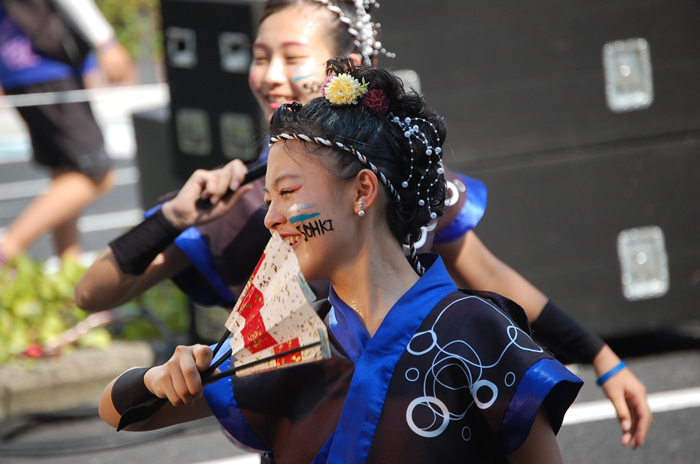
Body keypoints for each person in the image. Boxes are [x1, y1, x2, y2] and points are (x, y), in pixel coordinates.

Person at [76, 0, 651, 449]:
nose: (271, 74)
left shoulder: (467, 323)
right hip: (300, 414)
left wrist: (602, 356)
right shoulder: (231, 205)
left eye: (293, 56)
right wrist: (174, 220)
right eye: (258, 55)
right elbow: (94, 298)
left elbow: (488, 271)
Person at [0, 0, 131, 264]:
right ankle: (7, 250)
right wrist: (105, 41)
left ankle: (69, 284)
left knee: (67, 174)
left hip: (19, 62)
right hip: (44, 62)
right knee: (97, 174)